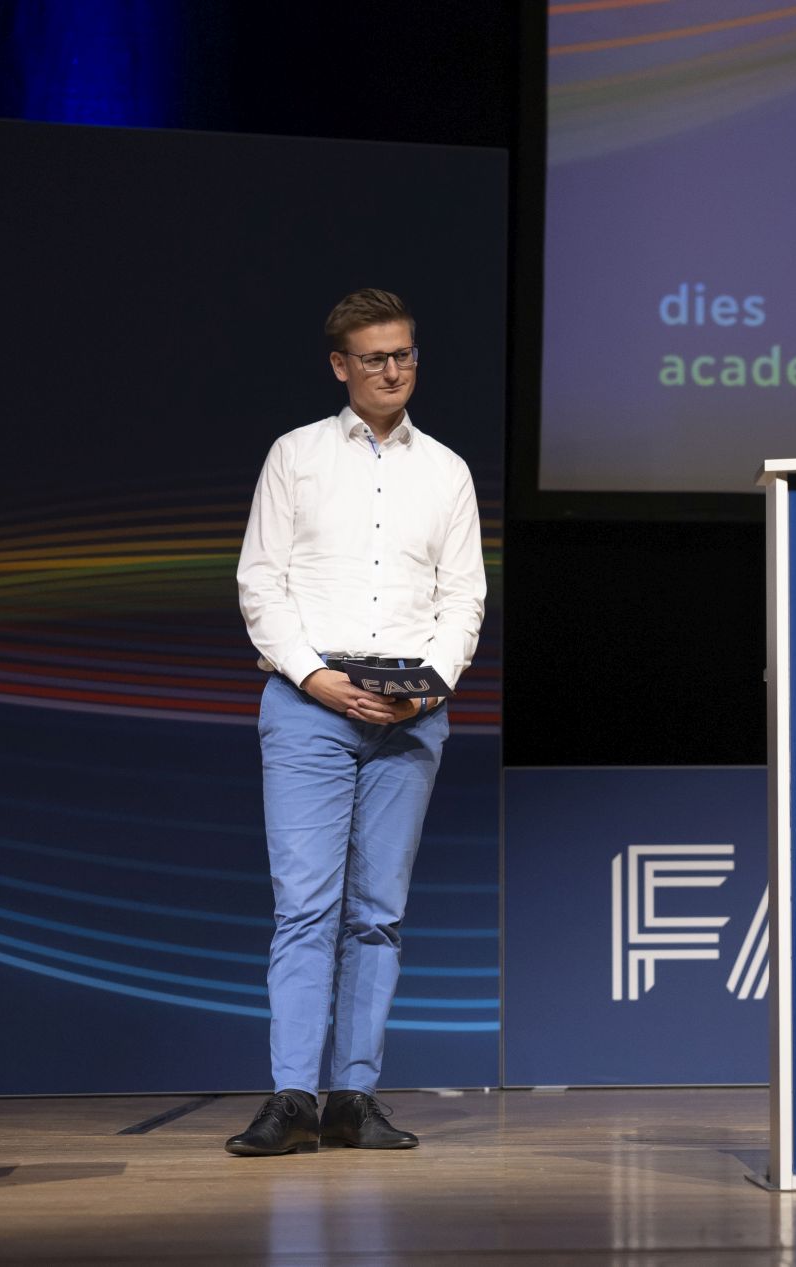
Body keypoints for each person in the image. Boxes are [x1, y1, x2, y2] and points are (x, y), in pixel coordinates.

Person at [228, 288, 486, 1156]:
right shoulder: (296, 456)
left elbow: (463, 598)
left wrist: (428, 691)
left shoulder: (445, 470)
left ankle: (354, 1096)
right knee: (307, 906)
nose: (393, 370)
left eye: (404, 354)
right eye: (375, 357)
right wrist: (317, 677)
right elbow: (261, 583)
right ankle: (292, 1097)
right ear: (341, 365)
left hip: (410, 713)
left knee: (378, 914)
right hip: (311, 703)